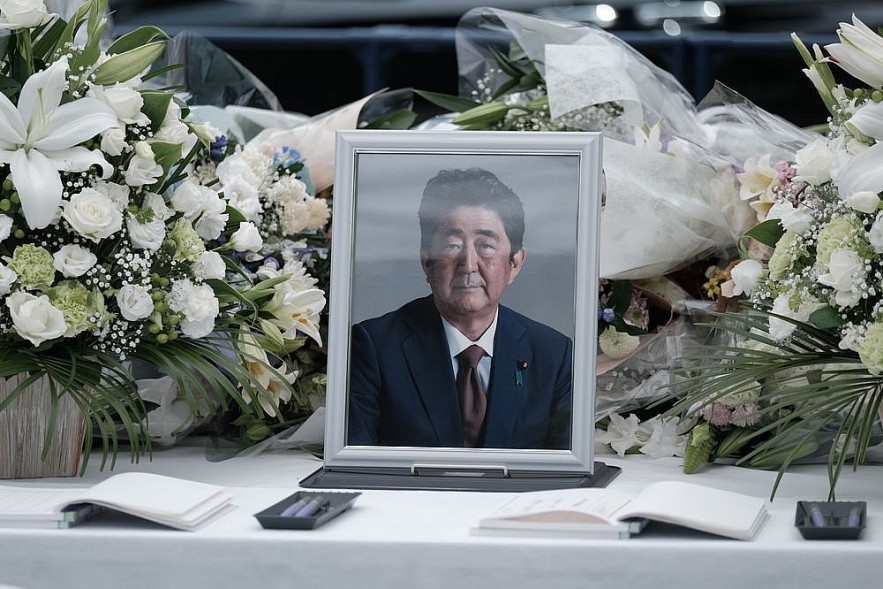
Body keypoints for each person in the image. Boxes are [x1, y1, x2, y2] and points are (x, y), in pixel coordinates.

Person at [347, 167, 572, 449]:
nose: (468, 264)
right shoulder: (375, 347)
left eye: (486, 246)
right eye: (452, 245)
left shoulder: (554, 354)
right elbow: (356, 464)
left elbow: (564, 472)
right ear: (425, 260)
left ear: (515, 263)